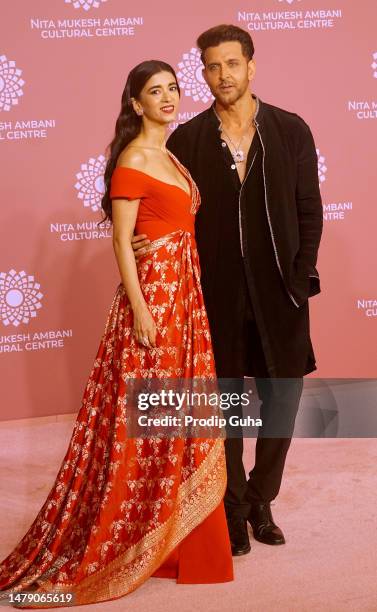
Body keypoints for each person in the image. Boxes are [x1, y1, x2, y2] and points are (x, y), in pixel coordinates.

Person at [0, 60, 233, 608]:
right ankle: (126, 536)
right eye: (156, 91)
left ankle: (172, 538)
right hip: (152, 303)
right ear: (136, 104)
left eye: (173, 87)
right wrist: (141, 309)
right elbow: (122, 243)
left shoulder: (172, 157)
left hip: (185, 305)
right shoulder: (133, 160)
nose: (169, 97)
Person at [132, 26, 323, 556]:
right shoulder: (186, 139)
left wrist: (299, 276)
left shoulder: (291, 130)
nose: (223, 76)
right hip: (212, 293)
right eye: (213, 67)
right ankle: (232, 508)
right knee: (228, 408)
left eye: (232, 64)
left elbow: (310, 208)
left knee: (282, 400)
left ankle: (263, 500)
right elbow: (153, 198)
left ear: (251, 67)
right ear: (205, 72)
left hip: (280, 294)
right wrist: (141, 241)